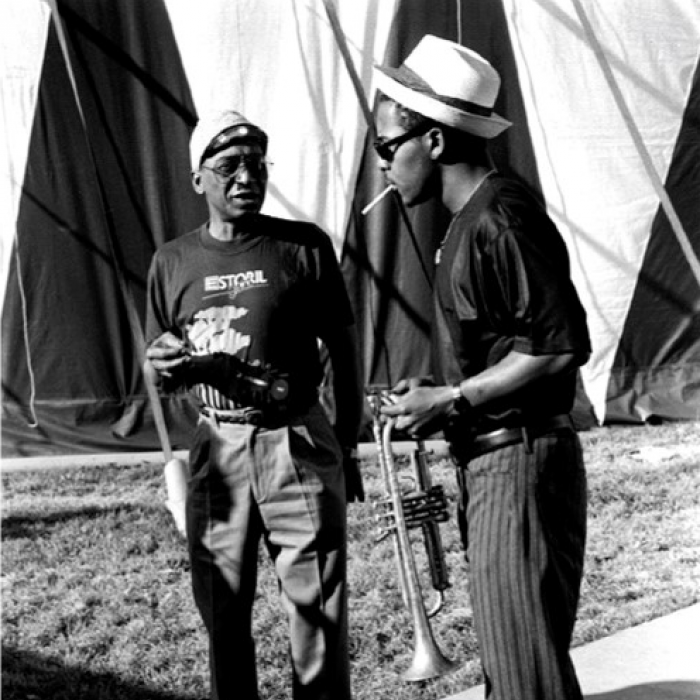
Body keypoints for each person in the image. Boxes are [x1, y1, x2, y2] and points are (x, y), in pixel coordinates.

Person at [374, 36, 591, 700]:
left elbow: (558, 345)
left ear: (434, 142)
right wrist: (440, 393)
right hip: (497, 462)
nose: (382, 166)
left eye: (388, 148)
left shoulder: (500, 217)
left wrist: (454, 398)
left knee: (526, 677)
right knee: (516, 665)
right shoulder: (469, 223)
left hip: (518, 460)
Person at [145, 109, 364, 700]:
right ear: (199, 180)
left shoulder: (302, 246)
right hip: (218, 448)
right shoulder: (172, 262)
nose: (247, 176)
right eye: (229, 166)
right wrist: (162, 360)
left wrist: (346, 443)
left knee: (317, 609)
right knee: (222, 611)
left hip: (295, 440)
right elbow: (162, 362)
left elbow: (345, 347)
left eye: (257, 164)